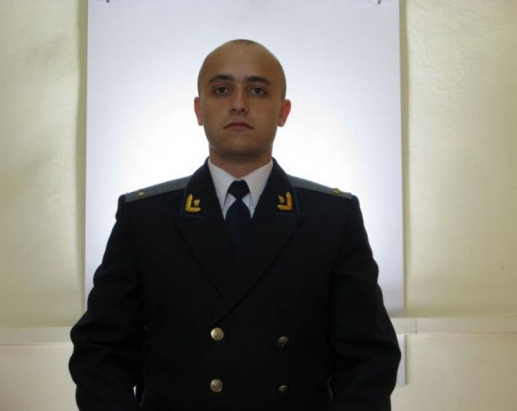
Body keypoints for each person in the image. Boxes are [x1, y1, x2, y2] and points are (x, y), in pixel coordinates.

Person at [70, 39, 401, 411]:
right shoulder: (145, 219)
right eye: (221, 90)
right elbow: (101, 351)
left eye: (257, 90)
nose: (239, 103)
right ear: (199, 109)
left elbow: (368, 358)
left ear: (283, 111)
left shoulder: (332, 219)